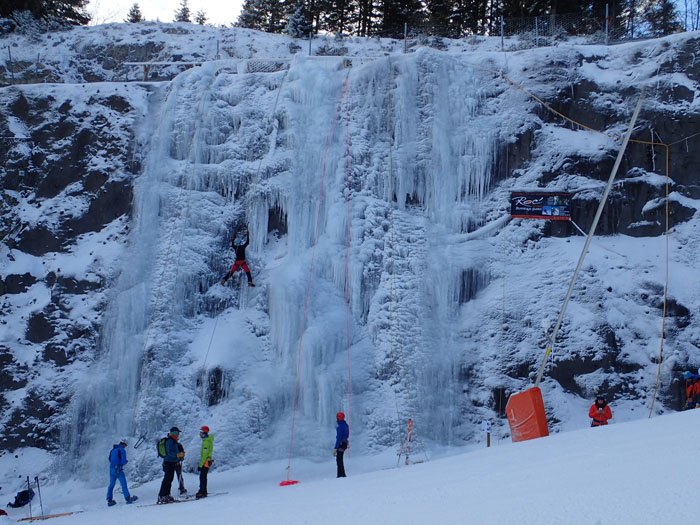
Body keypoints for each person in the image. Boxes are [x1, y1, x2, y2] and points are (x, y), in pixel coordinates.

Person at [106, 440, 138, 506]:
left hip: (111, 469)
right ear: (124, 444)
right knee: (123, 484)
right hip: (118, 469)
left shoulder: (113, 450)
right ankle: (128, 498)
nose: (125, 447)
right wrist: (125, 462)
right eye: (125, 445)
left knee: (111, 484)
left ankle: (109, 500)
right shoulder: (122, 450)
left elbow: (109, 459)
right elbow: (123, 461)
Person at [158, 427, 181, 504]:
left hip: (171, 462)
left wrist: (178, 457)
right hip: (168, 462)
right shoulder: (170, 441)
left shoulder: (173, 441)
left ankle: (166, 495)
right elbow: (169, 452)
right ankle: (162, 496)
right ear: (174, 433)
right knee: (167, 479)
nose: (178, 435)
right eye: (177, 433)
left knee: (169, 479)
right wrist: (177, 455)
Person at [196, 425, 214, 499]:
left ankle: (202, 492)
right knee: (203, 477)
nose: (200, 434)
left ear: (204, 433)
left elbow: (204, 455)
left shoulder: (206, 442)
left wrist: (200, 465)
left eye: (201, 432)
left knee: (202, 477)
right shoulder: (207, 441)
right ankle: (203, 491)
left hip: (205, 462)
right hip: (207, 461)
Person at [333, 412, 349, 478]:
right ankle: (342, 474)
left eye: (337, 417)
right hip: (344, 443)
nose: (336, 418)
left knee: (339, 459)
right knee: (340, 459)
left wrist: (335, 448)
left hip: (341, 444)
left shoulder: (340, 426)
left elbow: (339, 438)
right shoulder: (345, 424)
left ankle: (340, 475)